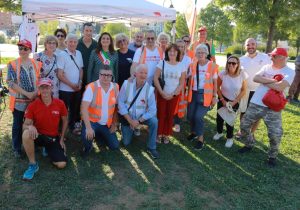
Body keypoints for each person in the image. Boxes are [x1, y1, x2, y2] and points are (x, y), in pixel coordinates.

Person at [238, 48, 295, 167]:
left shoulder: (290, 71)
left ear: (283, 58)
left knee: (274, 134)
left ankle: (272, 156)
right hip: (256, 102)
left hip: (273, 106)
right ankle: (249, 143)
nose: (271, 58)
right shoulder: (267, 67)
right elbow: (255, 78)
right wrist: (273, 80)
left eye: (274, 56)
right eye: (271, 56)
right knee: (244, 125)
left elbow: (280, 87)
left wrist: (264, 81)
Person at [22, 78, 68, 180]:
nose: (45, 90)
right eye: (42, 87)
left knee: (61, 164)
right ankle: (33, 165)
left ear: (51, 88)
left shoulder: (60, 103)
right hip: (38, 136)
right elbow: (24, 125)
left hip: (53, 138)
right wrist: (30, 126)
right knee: (26, 134)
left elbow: (65, 121)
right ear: (39, 89)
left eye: (47, 87)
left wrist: (61, 139)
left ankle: (47, 149)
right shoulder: (33, 105)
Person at [6, 40, 42, 158]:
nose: (22, 51)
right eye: (20, 48)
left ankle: (34, 144)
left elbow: (40, 80)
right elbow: (10, 82)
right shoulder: (13, 64)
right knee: (17, 124)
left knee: (33, 123)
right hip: (19, 101)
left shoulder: (37, 63)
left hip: (34, 100)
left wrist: (35, 93)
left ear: (30, 50)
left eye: (25, 48)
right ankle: (17, 147)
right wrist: (27, 93)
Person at [118, 64, 159, 158]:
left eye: (146, 73)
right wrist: (130, 121)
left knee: (154, 121)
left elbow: (153, 110)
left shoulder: (149, 89)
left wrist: (139, 121)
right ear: (135, 73)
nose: (143, 75)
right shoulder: (126, 84)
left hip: (141, 118)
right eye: (141, 72)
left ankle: (151, 147)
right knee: (126, 143)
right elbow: (120, 103)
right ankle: (130, 128)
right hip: (128, 117)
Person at [80, 66, 119, 157]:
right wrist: (88, 128)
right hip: (92, 122)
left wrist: (114, 123)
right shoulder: (92, 87)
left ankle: (99, 136)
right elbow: (84, 108)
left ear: (112, 76)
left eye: (108, 75)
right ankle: (88, 147)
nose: (106, 77)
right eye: (103, 75)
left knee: (114, 146)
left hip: (106, 124)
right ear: (99, 75)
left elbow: (116, 107)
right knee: (87, 135)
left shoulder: (115, 87)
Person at [238, 38, 271, 139]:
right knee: (243, 112)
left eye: (252, 44)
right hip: (245, 90)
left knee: (257, 114)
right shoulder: (241, 60)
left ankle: (251, 133)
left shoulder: (265, 57)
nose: (250, 46)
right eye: (248, 45)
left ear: (256, 45)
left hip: (259, 90)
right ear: (245, 46)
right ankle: (242, 131)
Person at [186, 44, 218, 150]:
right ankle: (194, 132)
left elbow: (215, 82)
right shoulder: (192, 64)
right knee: (190, 115)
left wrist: (214, 96)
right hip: (193, 94)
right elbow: (189, 79)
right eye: (198, 52)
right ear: (195, 54)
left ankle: (201, 139)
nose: (200, 54)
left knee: (198, 117)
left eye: (202, 52)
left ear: (206, 53)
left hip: (206, 95)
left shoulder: (212, 65)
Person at [153, 43, 185, 144]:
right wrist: (161, 92)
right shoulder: (162, 63)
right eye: (170, 51)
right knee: (161, 114)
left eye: (174, 51)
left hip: (174, 95)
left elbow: (182, 82)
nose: (172, 53)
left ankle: (166, 134)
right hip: (162, 94)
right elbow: (155, 78)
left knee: (170, 115)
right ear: (167, 52)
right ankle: (159, 134)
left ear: (177, 53)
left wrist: (174, 94)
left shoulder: (181, 65)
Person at [213, 56, 248, 148]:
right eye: (229, 63)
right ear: (227, 64)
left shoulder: (242, 74)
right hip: (223, 98)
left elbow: (244, 90)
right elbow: (217, 87)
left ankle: (229, 138)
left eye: (234, 63)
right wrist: (222, 99)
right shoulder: (223, 73)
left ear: (237, 65)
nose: (231, 65)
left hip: (235, 100)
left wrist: (235, 102)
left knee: (230, 120)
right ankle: (219, 132)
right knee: (219, 118)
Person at [57, 34, 83, 136]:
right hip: (65, 89)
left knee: (74, 109)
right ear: (66, 42)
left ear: (77, 43)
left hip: (77, 88)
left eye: (74, 42)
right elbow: (60, 74)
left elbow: (81, 69)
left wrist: (80, 82)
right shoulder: (62, 55)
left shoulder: (79, 53)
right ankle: (61, 129)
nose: (72, 44)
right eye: (70, 41)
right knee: (63, 111)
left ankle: (72, 127)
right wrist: (72, 85)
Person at [173, 39, 191, 132]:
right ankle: (170, 120)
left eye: (182, 47)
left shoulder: (188, 59)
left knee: (180, 103)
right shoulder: (171, 56)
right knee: (171, 102)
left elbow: (189, 73)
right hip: (171, 83)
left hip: (182, 84)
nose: (180, 48)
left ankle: (177, 123)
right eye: (178, 46)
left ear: (185, 48)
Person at [76, 22, 98, 90]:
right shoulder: (77, 43)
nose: (88, 33)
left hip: (92, 77)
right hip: (79, 77)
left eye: (90, 31)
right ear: (83, 31)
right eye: (86, 30)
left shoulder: (96, 45)